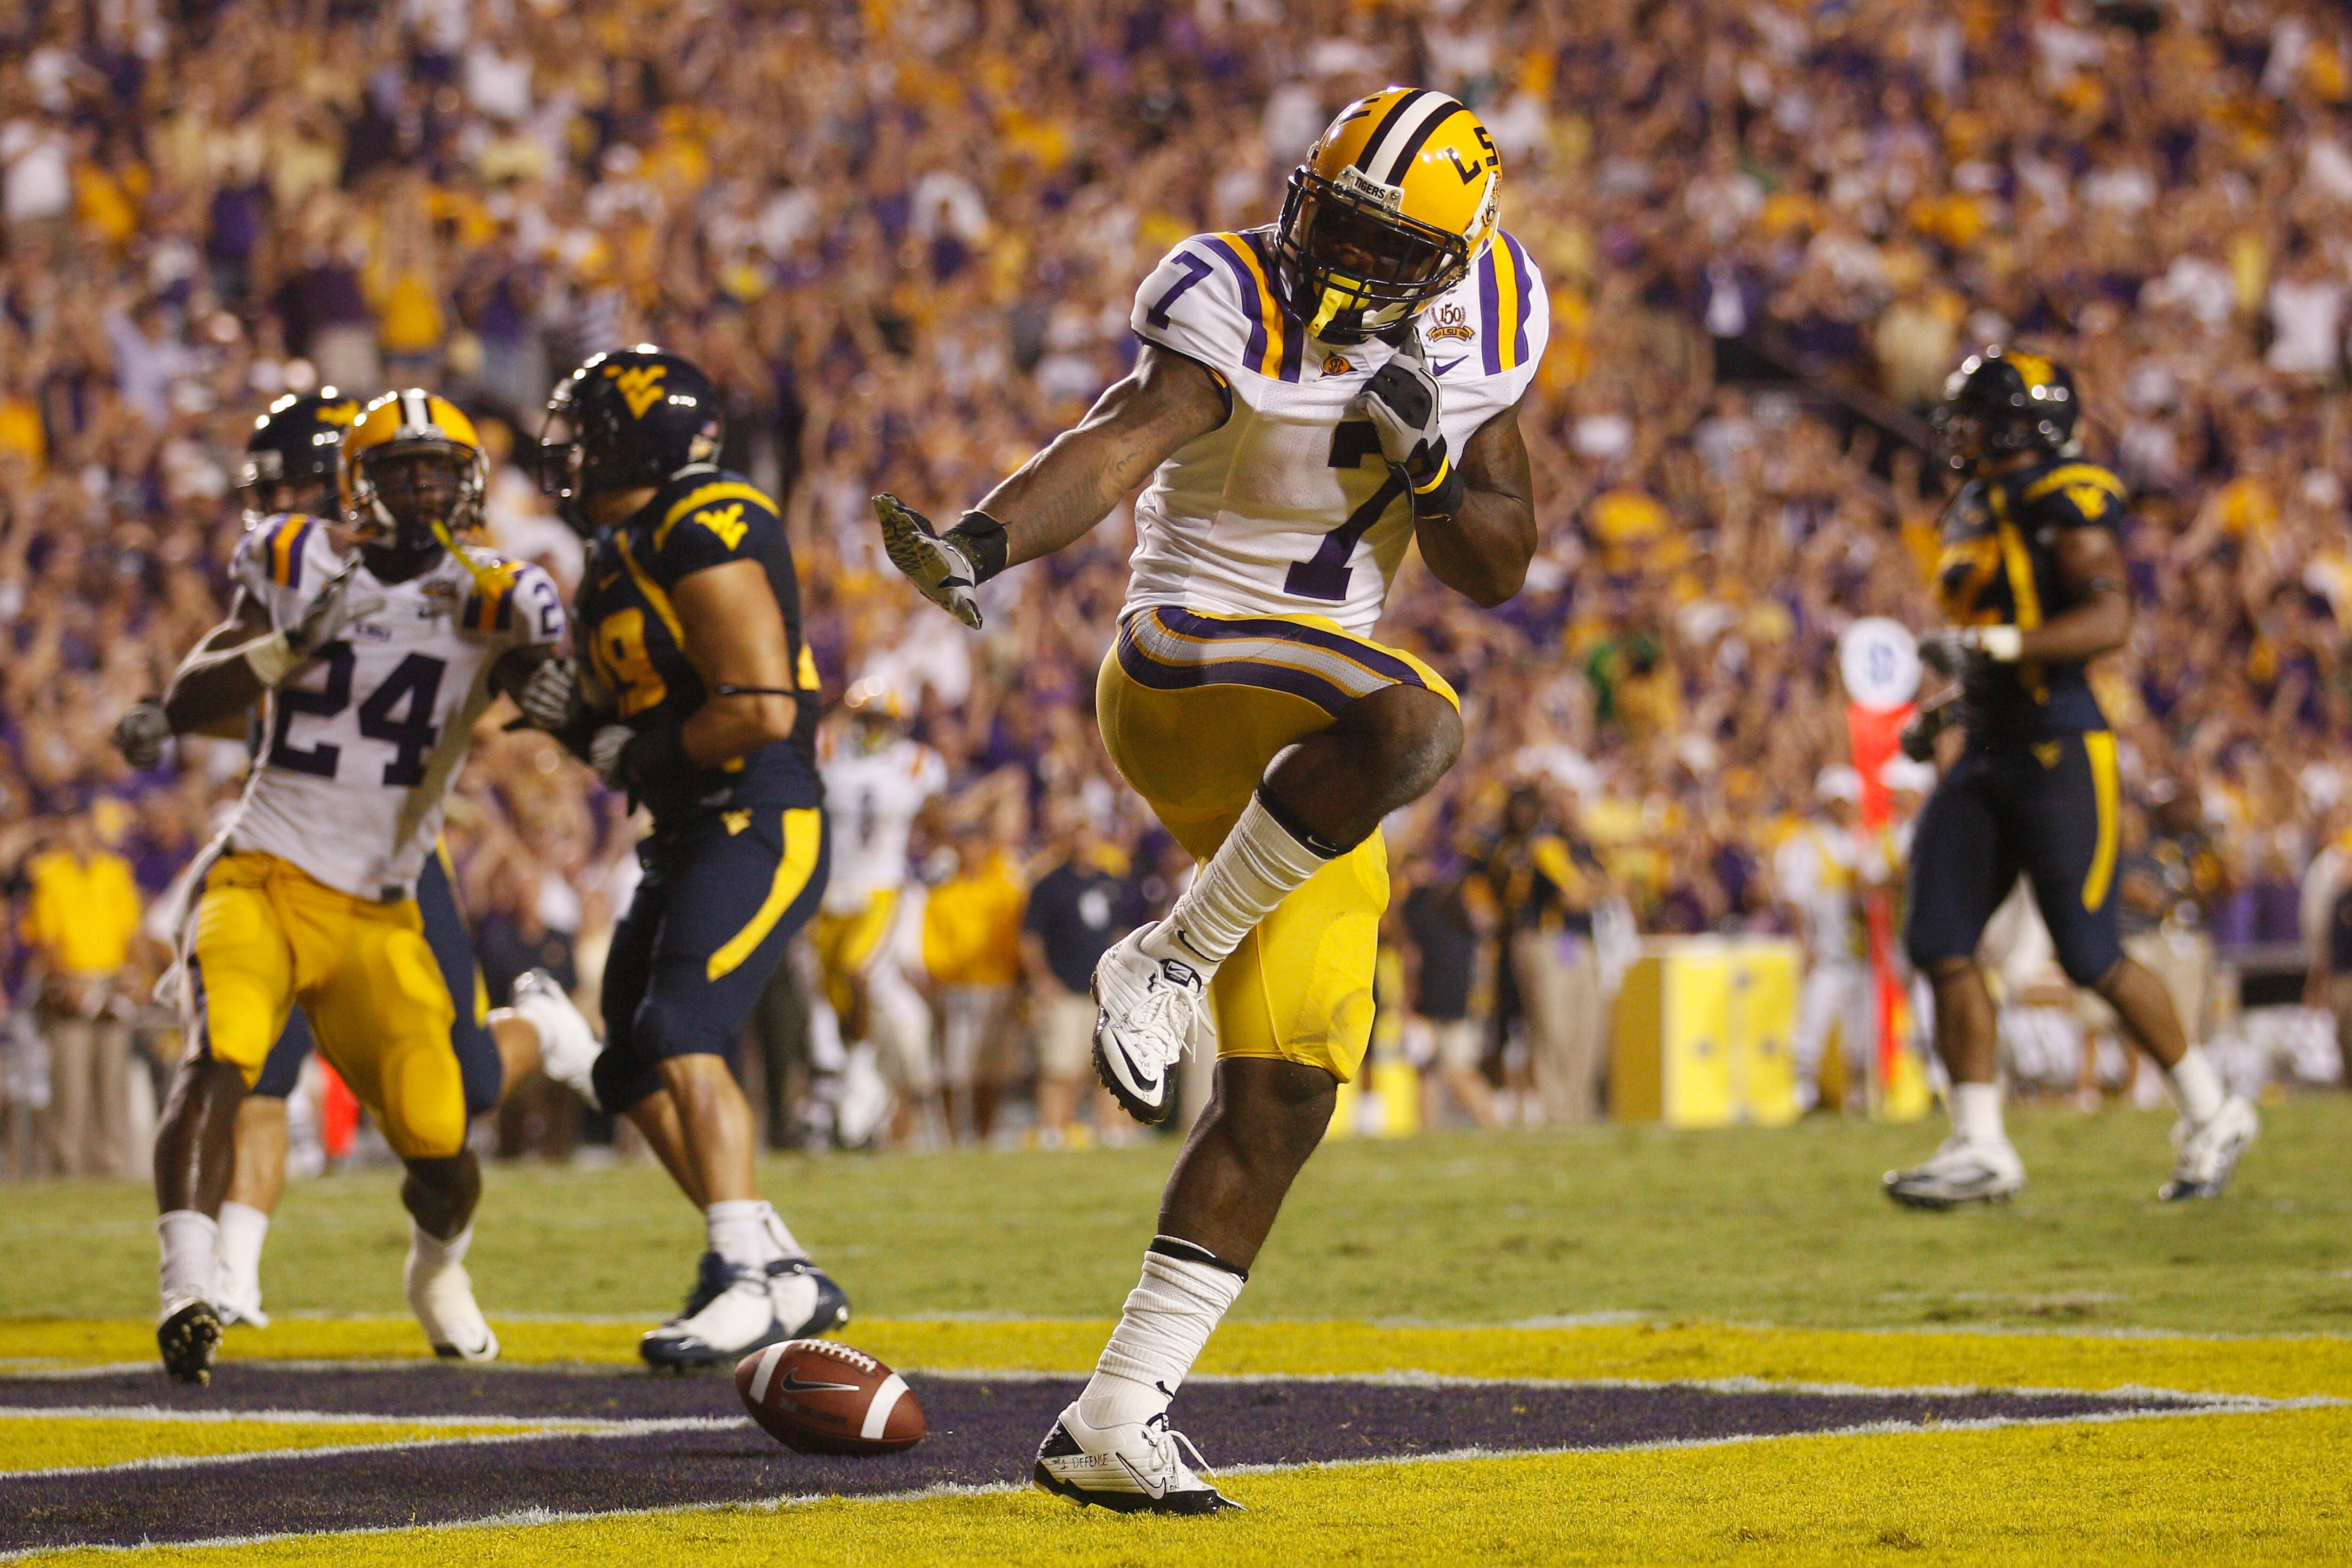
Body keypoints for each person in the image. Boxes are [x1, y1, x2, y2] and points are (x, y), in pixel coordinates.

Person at [875, 88, 1543, 1509]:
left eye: (1371, 231)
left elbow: (1496, 562)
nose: (1325, 244)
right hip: (1185, 657)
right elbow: (1125, 433)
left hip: (1318, 753)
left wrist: (1429, 464)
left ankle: (1115, 1416)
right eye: (1324, 207)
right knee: (1422, 719)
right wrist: (982, 541)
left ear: (1449, 252)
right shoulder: (1229, 287)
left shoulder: (1495, 316)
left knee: (1291, 1083)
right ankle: (1164, 954)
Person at [115, 389, 566, 1383]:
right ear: (356, 484)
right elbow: (193, 696)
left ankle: (435, 1269)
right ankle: (191, 1287)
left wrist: (559, 695)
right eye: (399, 469)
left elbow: (554, 696)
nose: (420, 488)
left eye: (437, 469)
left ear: (467, 480)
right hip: (264, 872)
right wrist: (291, 642)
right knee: (220, 1060)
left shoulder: (502, 590)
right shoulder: (294, 560)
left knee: (445, 1146)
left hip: (381, 905)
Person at [524, 346, 845, 1369]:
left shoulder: (703, 518)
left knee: (677, 1026)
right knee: (627, 1058)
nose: (570, 455)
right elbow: (636, 728)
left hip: (757, 812)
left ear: (642, 436)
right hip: (686, 826)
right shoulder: (621, 549)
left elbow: (760, 706)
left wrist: (635, 748)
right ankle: (785, 1268)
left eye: (589, 433)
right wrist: (570, 721)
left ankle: (741, 1276)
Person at [1888, 349, 2257, 1209]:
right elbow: (1993, 638)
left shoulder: (2066, 495)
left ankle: (2212, 1108)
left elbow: (2108, 616)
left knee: (2089, 951)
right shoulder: (1975, 504)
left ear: (2022, 423)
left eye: (1973, 415)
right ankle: (1980, 1142)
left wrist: (1993, 650)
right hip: (1987, 741)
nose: (1959, 431)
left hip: (2059, 743)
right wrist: (1946, 710)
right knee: (1939, 939)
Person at [810, 681, 946, 1145]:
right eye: (866, 719)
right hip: (829, 891)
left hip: (880, 890)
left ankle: (861, 1074)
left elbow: (934, 820)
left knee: (856, 973)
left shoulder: (915, 764)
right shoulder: (828, 750)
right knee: (833, 993)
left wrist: (939, 851)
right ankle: (854, 1080)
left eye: (880, 720)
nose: (872, 729)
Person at [19, 809, 145, 1178]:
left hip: (112, 978)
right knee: (70, 1082)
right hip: (71, 980)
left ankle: (114, 1166)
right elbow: (44, 935)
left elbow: (130, 929)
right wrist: (66, 980)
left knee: (113, 1079)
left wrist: (138, 977)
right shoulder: (46, 871)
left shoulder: (116, 869)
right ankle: (68, 1168)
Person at [1470, 784, 1605, 1124]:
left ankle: (1578, 1108)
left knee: (1584, 1030)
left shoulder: (1578, 846)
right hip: (1545, 941)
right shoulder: (1538, 846)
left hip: (1574, 942)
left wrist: (1598, 887)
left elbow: (1608, 885)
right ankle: (1558, 1109)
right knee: (1553, 1029)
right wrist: (1598, 888)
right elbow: (1576, 894)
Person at [1019, 806, 1144, 1147]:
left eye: (1087, 832)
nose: (1083, 840)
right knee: (1061, 1066)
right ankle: (1054, 1130)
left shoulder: (1110, 883)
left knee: (1112, 1067)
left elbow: (1122, 935)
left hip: (1105, 992)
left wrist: (1123, 981)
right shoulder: (1048, 884)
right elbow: (1031, 938)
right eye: (1075, 832)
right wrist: (1043, 980)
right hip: (1065, 987)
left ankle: (1113, 1130)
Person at [1776, 766, 1874, 1112]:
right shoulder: (1809, 841)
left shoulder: (1864, 839)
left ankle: (1859, 1096)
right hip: (1828, 952)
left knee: (1862, 1033)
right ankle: (1804, 1095)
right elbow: (1796, 897)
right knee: (1812, 1025)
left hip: (1862, 953)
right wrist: (1806, 942)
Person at [1396, 845, 1496, 1129]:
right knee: (1430, 1070)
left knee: (1452, 1069)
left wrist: (1407, 1001)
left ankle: (1492, 1123)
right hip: (1455, 994)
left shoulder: (1415, 905)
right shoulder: (1452, 903)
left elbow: (1411, 956)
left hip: (1436, 998)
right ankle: (1429, 1131)